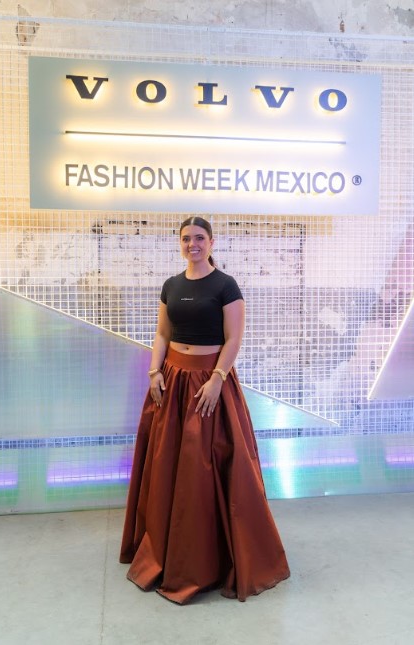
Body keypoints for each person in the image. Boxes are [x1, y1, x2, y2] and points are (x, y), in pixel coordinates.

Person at [119, 216, 290, 604]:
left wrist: (216, 379)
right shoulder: (171, 285)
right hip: (172, 382)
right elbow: (162, 333)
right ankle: (166, 550)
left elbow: (234, 338)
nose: (192, 244)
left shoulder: (225, 285)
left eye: (199, 238)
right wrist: (154, 372)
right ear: (179, 243)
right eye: (186, 238)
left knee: (205, 470)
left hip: (209, 384)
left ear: (211, 242)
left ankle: (206, 559)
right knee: (168, 467)